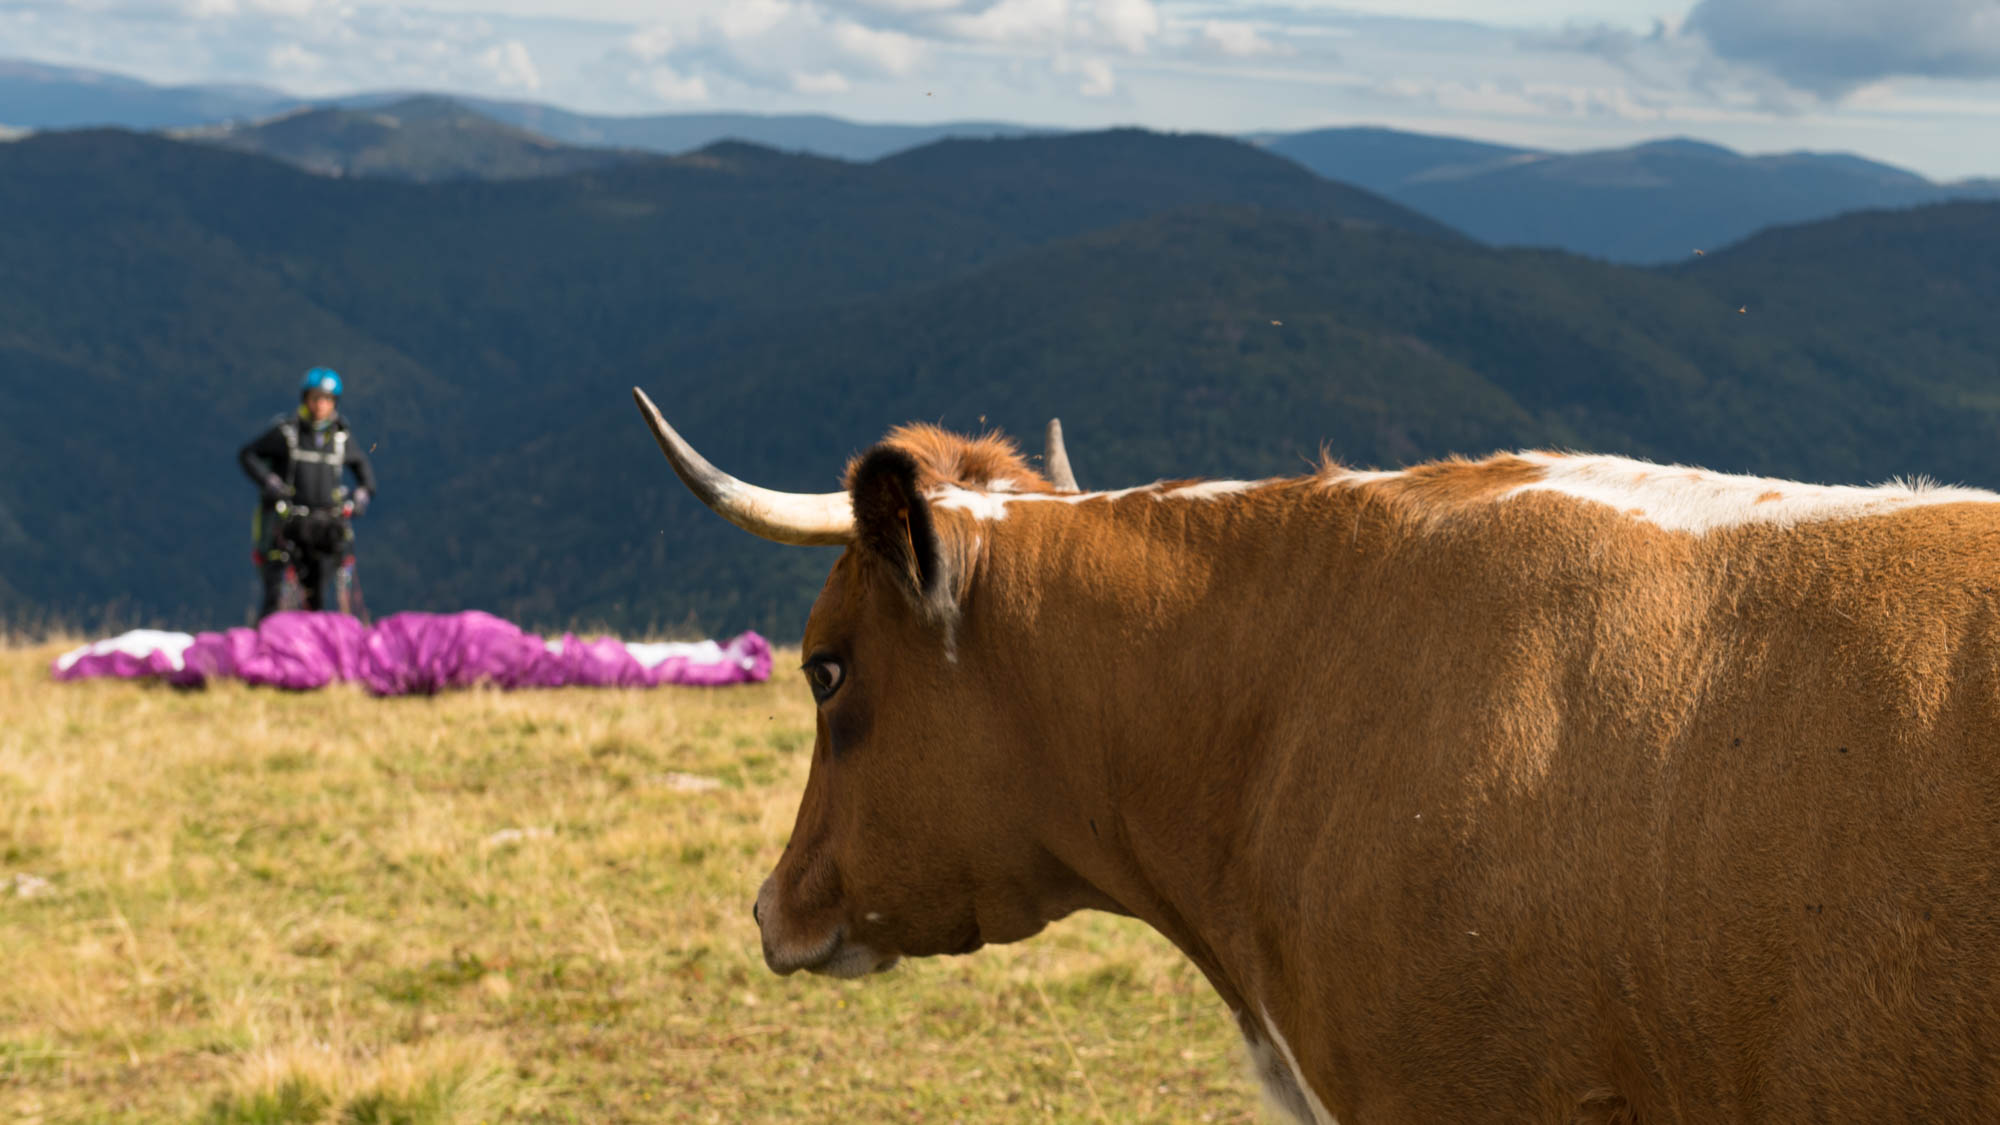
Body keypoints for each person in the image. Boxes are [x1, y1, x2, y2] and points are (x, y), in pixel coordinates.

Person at [238, 368, 377, 619]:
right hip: (286, 529)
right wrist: (269, 482)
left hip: (324, 531)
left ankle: (308, 651)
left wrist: (361, 495)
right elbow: (248, 455)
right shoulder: (287, 433)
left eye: (327, 399)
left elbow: (364, 472)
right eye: (315, 398)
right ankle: (266, 650)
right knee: (276, 596)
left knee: (315, 599)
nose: (320, 405)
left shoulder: (340, 438)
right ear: (305, 398)